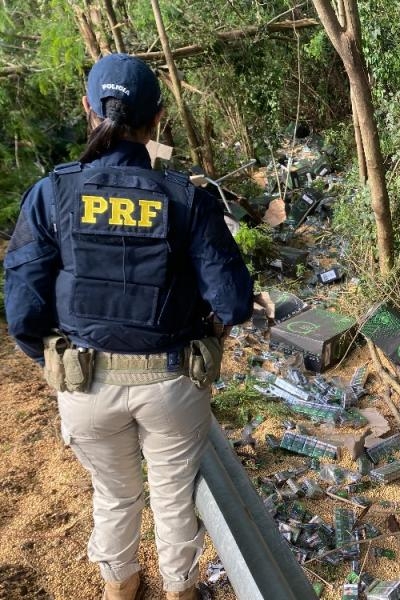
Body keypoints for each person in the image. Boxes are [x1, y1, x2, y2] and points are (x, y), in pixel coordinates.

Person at [3, 53, 253, 600]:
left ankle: (121, 590)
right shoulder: (187, 199)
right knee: (172, 500)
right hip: (172, 384)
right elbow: (234, 302)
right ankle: (180, 592)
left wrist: (55, 356)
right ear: (158, 118)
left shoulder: (53, 194)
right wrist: (209, 334)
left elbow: (22, 308)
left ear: (88, 109)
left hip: (86, 385)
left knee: (114, 497)